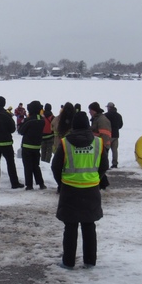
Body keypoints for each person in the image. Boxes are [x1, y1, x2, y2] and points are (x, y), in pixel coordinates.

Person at [51, 111, 108, 269]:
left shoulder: (65, 143)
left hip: (70, 190)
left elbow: (55, 166)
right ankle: (90, 261)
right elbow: (104, 165)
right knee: (89, 226)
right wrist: (94, 178)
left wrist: (61, 183)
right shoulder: (98, 143)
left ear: (73, 126)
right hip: (91, 190)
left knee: (70, 227)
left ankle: (68, 262)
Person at [18, 100, 46, 190]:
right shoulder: (42, 120)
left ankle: (29, 185)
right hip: (37, 146)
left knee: (27, 166)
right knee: (36, 166)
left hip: (27, 146)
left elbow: (21, 131)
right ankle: (41, 183)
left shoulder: (28, 120)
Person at [105, 102, 124, 168]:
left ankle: (105, 164)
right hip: (116, 135)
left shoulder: (106, 115)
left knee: (106, 150)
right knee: (115, 150)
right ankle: (115, 164)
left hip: (108, 135)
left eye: (107, 107)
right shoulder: (119, 115)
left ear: (109, 107)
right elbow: (121, 125)